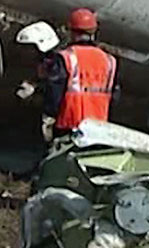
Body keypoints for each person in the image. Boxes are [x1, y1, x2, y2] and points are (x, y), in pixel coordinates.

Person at [43, 8, 119, 145]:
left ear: (71, 31)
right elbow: (114, 95)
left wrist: (49, 116)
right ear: (94, 32)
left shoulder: (66, 57)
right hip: (98, 128)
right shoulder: (109, 60)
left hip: (69, 124)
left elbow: (55, 91)